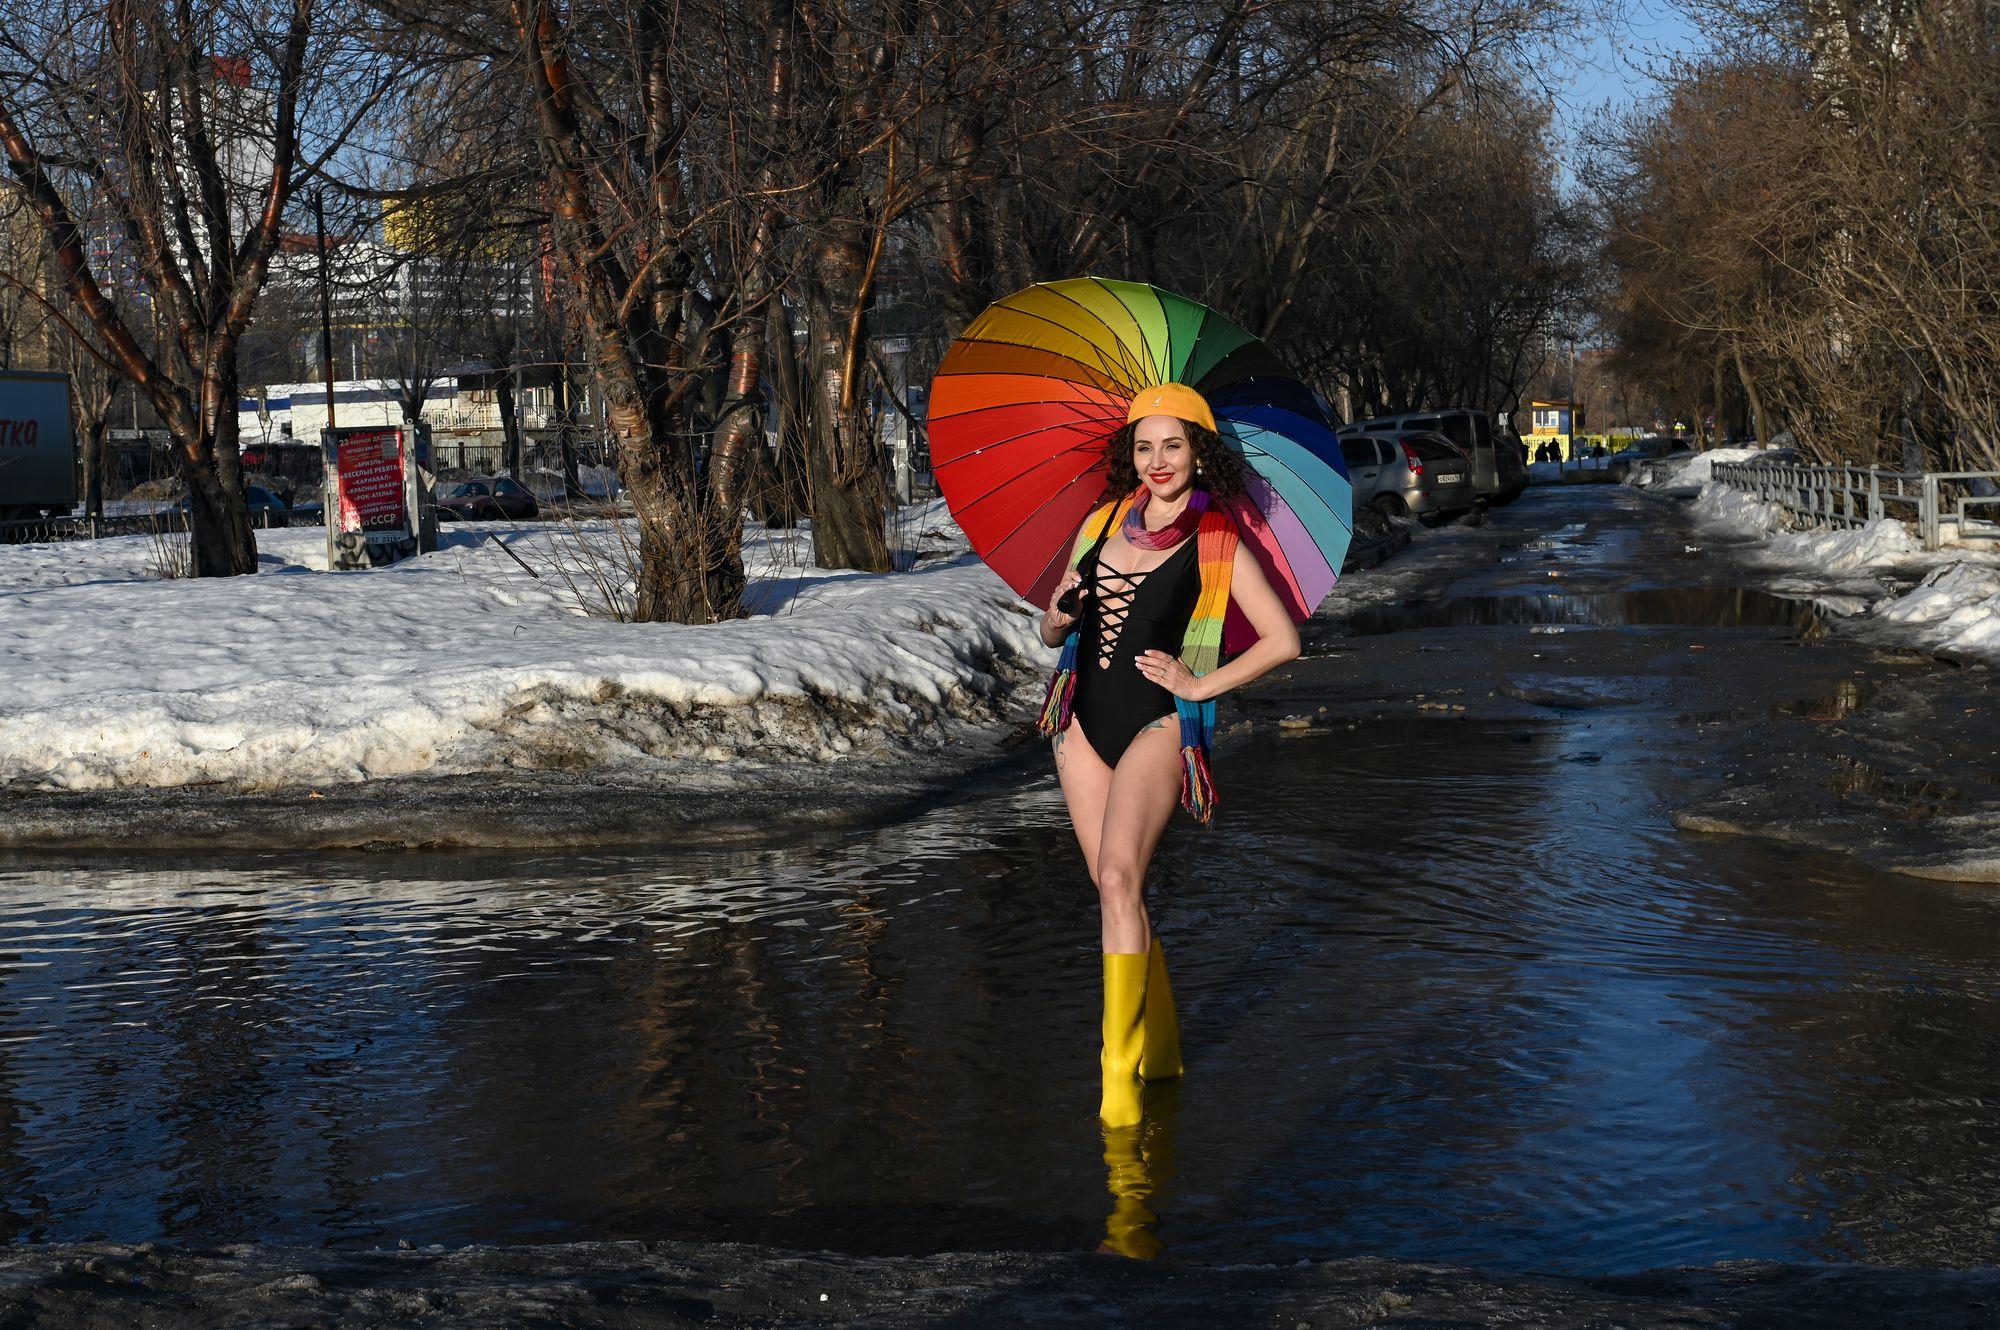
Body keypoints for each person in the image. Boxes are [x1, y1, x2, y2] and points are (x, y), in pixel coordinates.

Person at [1035, 383, 1301, 1127]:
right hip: (1080, 722)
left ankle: (1115, 1072)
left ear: (1199, 453)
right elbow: (1051, 634)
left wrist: (1199, 684)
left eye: (1173, 445)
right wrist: (1056, 618)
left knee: (1122, 877)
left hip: (1156, 724)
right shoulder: (1099, 523)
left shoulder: (1216, 539)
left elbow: (1283, 641)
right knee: (1111, 889)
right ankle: (1163, 1046)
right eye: (1144, 446)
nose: (1157, 461)